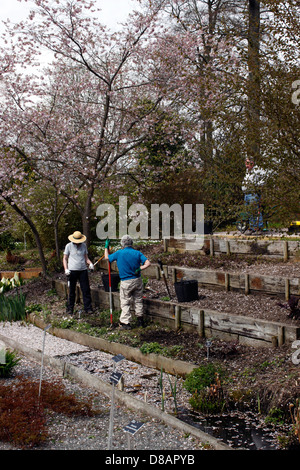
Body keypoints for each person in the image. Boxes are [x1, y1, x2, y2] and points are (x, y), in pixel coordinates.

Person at [104, 235, 151, 329]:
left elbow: (107, 258)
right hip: (137, 280)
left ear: (122, 244)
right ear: (131, 243)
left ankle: (126, 323)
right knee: (138, 300)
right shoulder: (137, 253)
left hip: (126, 281)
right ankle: (140, 321)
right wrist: (139, 268)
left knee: (125, 302)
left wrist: (106, 247)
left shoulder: (119, 253)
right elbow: (148, 263)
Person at [63, 230, 94, 315]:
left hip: (83, 270)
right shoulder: (68, 246)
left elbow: (86, 258)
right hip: (72, 271)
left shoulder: (83, 246)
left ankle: (88, 308)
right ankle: (70, 309)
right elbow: (65, 258)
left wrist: (90, 264)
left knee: (86, 289)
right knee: (72, 290)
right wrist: (66, 269)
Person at [241, 158, 266, 232]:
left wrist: (257, 186)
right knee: (249, 212)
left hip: (253, 193)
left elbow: (264, 178)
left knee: (255, 211)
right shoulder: (247, 172)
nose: (246, 165)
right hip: (246, 194)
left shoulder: (257, 170)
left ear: (252, 163)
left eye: (248, 163)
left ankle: (258, 227)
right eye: (246, 163)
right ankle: (252, 227)